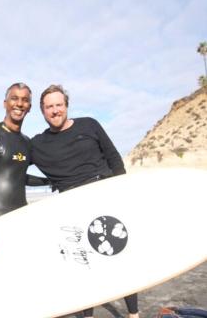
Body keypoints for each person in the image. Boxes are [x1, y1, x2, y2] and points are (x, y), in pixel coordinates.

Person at [31, 84, 139, 318]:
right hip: (70, 203)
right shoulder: (37, 144)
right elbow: (13, 163)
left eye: (59, 105)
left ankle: (133, 314)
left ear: (67, 106)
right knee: (83, 264)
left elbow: (113, 157)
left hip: (103, 192)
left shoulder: (89, 124)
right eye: (49, 107)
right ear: (42, 111)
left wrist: (123, 191)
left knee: (119, 256)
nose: (55, 110)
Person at [0, 82, 47, 261]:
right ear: (5, 103)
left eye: (24, 100)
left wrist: (49, 182)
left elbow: (19, 176)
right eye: (14, 98)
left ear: (29, 107)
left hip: (21, 215)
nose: (19, 104)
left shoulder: (27, 142)